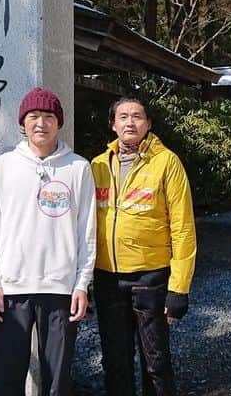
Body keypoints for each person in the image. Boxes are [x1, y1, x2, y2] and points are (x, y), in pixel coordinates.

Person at [0, 87, 97, 396]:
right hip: (11, 289)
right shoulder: (3, 166)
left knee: (57, 381)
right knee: (6, 379)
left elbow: (87, 230)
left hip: (61, 288)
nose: (41, 123)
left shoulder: (78, 167)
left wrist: (82, 283)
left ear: (59, 123)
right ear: (23, 123)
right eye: (33, 117)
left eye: (48, 117)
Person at [90, 97, 196, 396]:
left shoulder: (167, 162)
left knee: (156, 361)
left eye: (137, 116)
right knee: (114, 360)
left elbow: (183, 227)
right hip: (107, 277)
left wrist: (179, 287)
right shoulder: (97, 165)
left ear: (148, 124)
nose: (130, 122)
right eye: (123, 117)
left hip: (150, 278)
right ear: (113, 125)